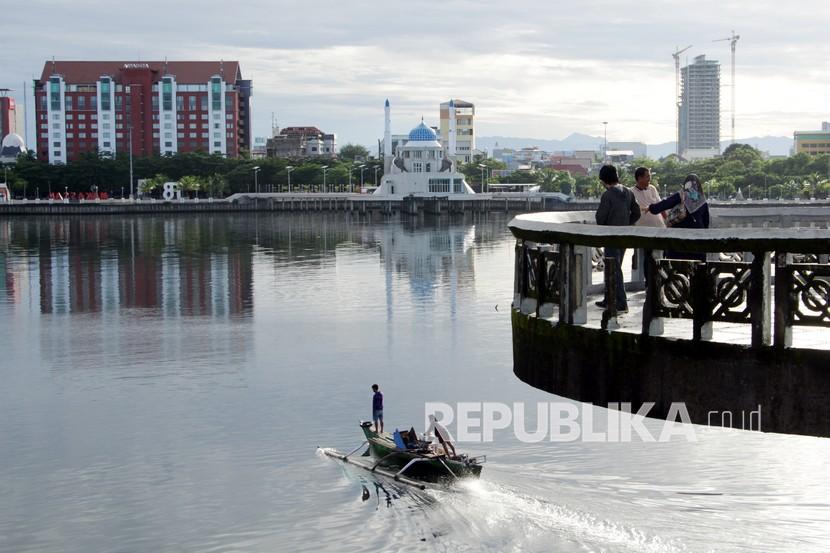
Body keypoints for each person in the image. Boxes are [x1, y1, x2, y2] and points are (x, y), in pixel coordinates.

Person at [595, 164, 640, 313]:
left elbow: (600, 218)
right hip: (624, 235)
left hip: (611, 237)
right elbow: (637, 212)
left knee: (614, 270)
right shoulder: (628, 192)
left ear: (603, 180)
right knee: (615, 268)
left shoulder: (607, 195)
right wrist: (627, 223)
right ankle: (609, 298)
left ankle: (621, 302)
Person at [648, 174, 710, 261]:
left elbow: (663, 205)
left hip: (678, 241)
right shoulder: (703, 200)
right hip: (697, 242)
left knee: (677, 268)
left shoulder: (681, 195)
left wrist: (651, 208)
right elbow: (706, 222)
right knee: (698, 268)